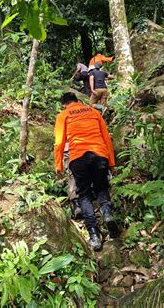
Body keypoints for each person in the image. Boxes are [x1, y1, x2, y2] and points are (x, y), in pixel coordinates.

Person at [54, 92, 120, 251]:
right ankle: (107, 215)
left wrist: (58, 165)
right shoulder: (94, 112)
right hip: (100, 155)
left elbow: (59, 143)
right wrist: (111, 162)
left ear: (64, 104)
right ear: (77, 101)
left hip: (78, 157)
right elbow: (106, 138)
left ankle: (94, 236)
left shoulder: (63, 115)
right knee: (102, 189)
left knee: (84, 195)